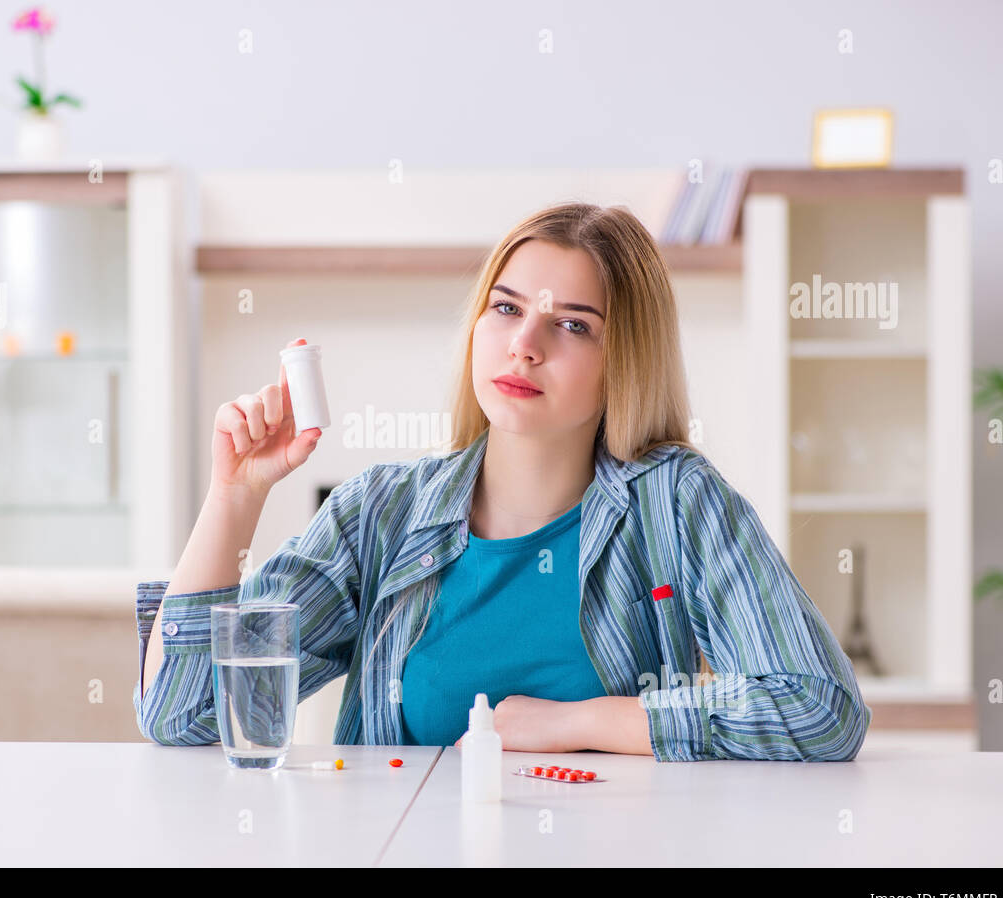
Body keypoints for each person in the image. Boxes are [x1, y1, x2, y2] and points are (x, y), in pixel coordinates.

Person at [135, 202, 872, 760]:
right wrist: (233, 498)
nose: (524, 344)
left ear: (627, 359)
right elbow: (184, 715)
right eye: (507, 308)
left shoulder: (674, 503)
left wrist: (578, 722)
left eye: (573, 325)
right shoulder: (380, 514)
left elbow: (821, 705)